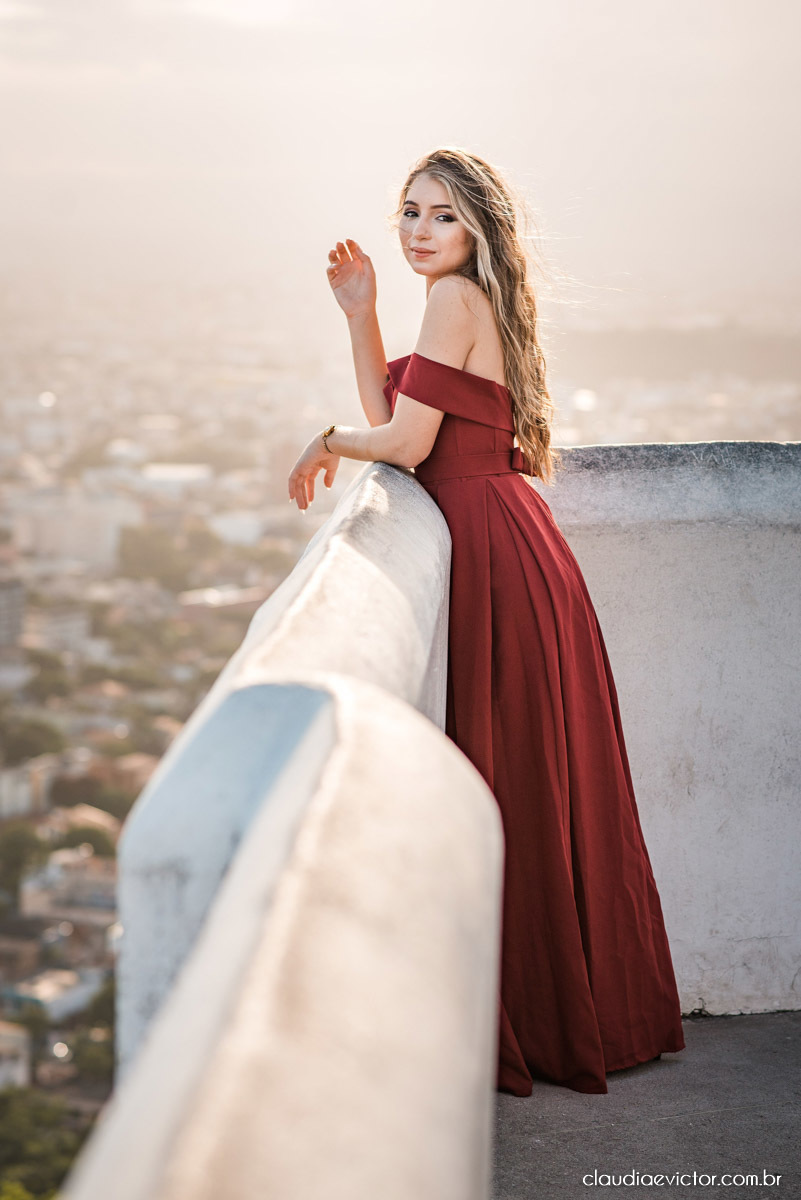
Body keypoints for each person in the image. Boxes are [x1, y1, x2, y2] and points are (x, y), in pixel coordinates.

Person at [288, 146, 685, 1096]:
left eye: (441, 217)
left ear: (476, 231)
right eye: (410, 212)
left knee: (516, 777)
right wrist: (359, 315)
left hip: (496, 549)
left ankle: (551, 1014)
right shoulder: (466, 300)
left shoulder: (456, 299)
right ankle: (587, 1009)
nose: (419, 231)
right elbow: (405, 416)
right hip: (507, 541)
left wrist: (324, 441)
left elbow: (399, 442)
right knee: (536, 777)